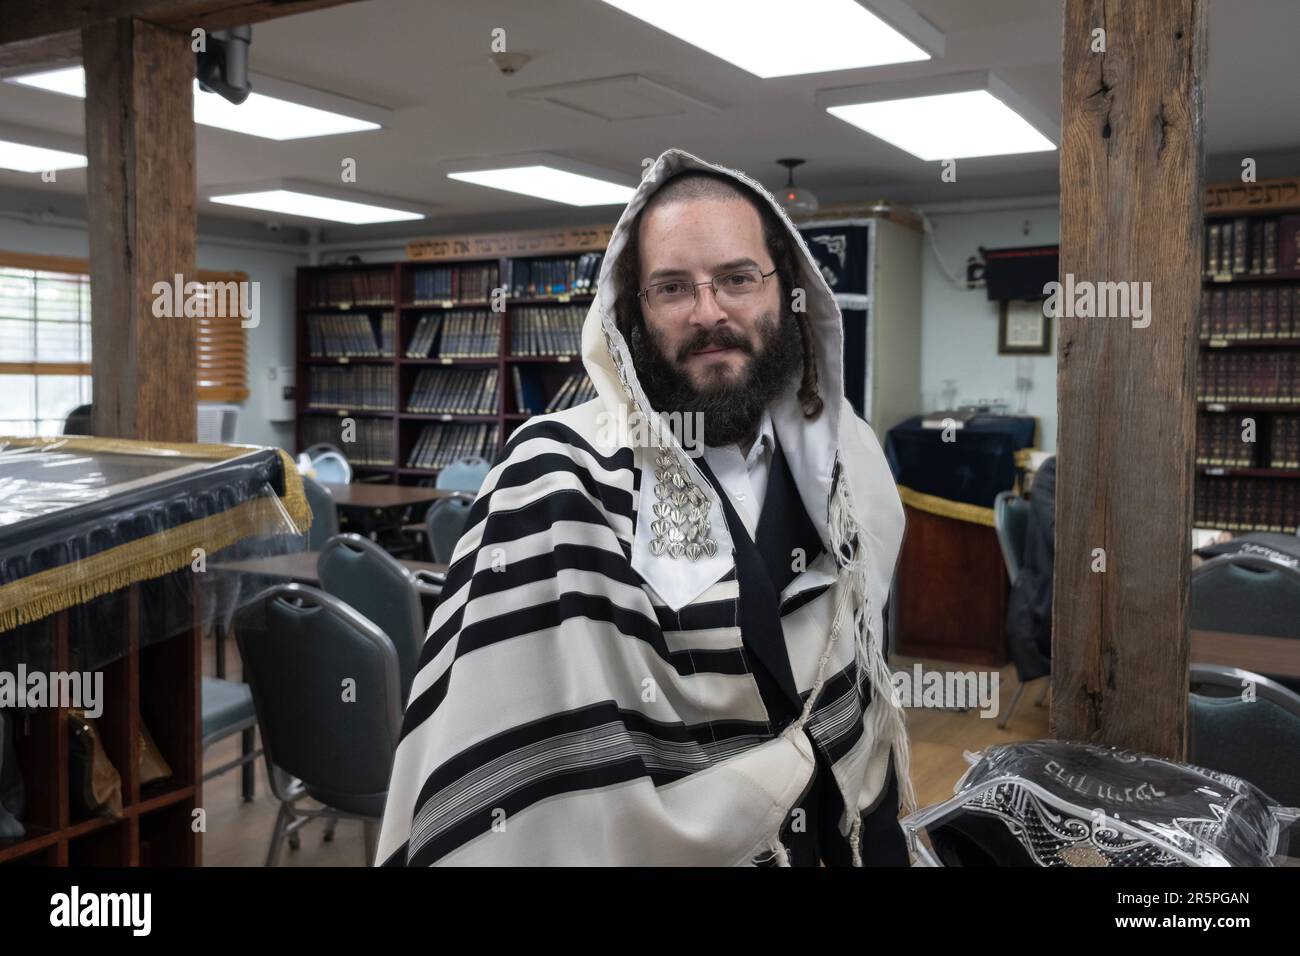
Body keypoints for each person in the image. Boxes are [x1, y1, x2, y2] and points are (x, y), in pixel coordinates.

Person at [376, 147, 913, 866]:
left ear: (787, 291)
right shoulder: (553, 475)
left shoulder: (844, 452)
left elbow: (859, 672)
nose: (709, 313)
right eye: (672, 288)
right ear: (634, 311)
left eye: (736, 278)